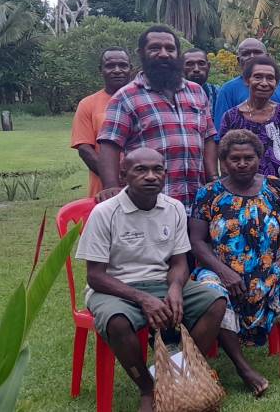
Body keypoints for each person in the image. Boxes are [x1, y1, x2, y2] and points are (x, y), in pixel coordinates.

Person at [75, 148, 226, 412]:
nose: (151, 176)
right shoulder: (105, 213)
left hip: (161, 282)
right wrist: (143, 299)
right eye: (140, 170)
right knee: (118, 321)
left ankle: (178, 376)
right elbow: (96, 276)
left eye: (158, 170)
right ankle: (148, 388)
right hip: (115, 287)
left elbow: (179, 262)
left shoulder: (174, 208)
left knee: (215, 302)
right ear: (123, 175)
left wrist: (176, 287)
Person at [188, 129, 280, 396]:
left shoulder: (274, 187)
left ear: (258, 158)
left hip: (271, 271)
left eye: (248, 158)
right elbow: (197, 241)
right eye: (235, 159)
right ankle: (244, 368)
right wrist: (223, 272)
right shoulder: (208, 194)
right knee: (212, 292)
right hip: (222, 272)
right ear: (224, 161)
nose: (242, 164)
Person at [97, 25, 217, 208]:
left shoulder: (196, 92)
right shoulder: (125, 97)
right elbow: (109, 144)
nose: (163, 54)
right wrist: (111, 186)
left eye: (170, 49)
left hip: (197, 201)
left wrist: (213, 179)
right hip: (151, 204)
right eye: (155, 48)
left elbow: (208, 137)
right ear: (141, 53)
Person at [218, 56, 280, 206]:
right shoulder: (231, 117)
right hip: (244, 197)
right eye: (258, 77)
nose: (264, 83)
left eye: (270, 78)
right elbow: (224, 161)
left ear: (276, 84)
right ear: (247, 81)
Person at [71, 47, 132, 198]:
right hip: (105, 189)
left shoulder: (144, 100)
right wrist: (113, 179)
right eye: (110, 66)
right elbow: (84, 148)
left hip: (145, 185)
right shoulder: (88, 104)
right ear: (101, 70)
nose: (117, 70)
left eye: (123, 65)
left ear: (131, 69)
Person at [212, 38, 280, 134]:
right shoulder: (228, 90)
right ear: (238, 60)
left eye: (257, 52)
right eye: (246, 53)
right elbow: (221, 132)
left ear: (267, 57)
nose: (252, 57)